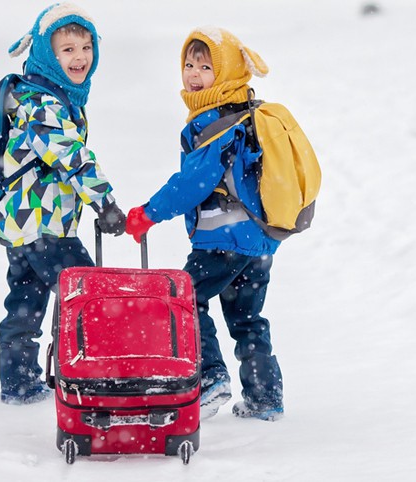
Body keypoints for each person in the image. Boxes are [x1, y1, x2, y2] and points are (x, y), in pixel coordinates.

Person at [124, 27, 284, 421]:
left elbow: (194, 183)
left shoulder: (214, 122)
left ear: (226, 71)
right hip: (259, 240)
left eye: (206, 66)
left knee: (183, 300)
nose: (194, 74)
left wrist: (149, 212)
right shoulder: (247, 114)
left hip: (222, 239)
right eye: (189, 65)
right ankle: (266, 398)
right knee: (247, 319)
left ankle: (211, 378)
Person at [0, 3, 125, 405]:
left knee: (25, 304)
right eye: (67, 50)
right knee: (88, 295)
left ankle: (18, 385)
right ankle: (94, 378)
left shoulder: (46, 95)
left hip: (23, 224)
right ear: (48, 54)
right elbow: (68, 154)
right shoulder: (42, 103)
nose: (80, 57)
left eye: (86, 47)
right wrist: (105, 202)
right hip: (44, 223)